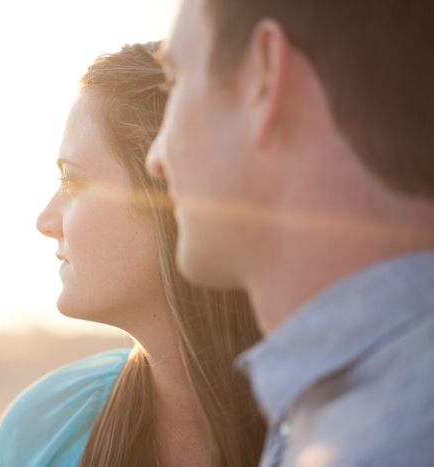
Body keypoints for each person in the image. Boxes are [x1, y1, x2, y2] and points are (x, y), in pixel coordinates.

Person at [147, 1, 434, 466]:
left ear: (265, 75)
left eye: (173, 80)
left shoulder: (382, 443)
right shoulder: (335, 412)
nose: (155, 158)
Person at [0, 42, 265, 467]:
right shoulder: (45, 427)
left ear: (169, 196)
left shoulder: (350, 425)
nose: (45, 220)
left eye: (73, 183)